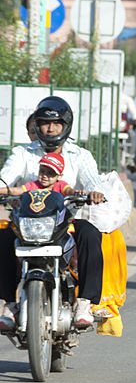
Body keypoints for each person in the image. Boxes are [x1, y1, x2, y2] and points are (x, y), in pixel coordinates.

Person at [0, 97, 107, 329]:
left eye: (56, 123)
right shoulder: (23, 153)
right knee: (3, 239)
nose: (50, 128)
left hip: (66, 222)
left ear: (65, 125)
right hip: (27, 222)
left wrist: (94, 193)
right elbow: (7, 178)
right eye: (44, 123)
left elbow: (93, 182)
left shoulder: (80, 155)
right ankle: (9, 303)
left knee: (90, 234)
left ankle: (85, 302)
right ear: (36, 126)